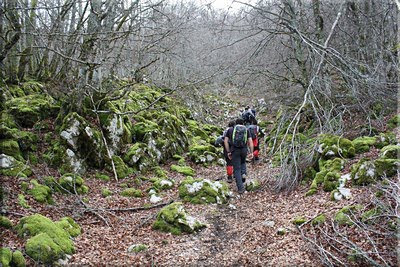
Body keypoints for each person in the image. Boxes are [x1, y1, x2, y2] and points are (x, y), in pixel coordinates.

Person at [224, 118, 254, 194]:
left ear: (235, 123)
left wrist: (228, 151)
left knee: (237, 169)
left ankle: (240, 188)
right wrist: (251, 152)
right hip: (244, 150)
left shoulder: (230, 130)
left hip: (234, 150)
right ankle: (243, 173)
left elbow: (225, 141)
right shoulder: (246, 130)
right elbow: (250, 141)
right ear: (243, 123)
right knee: (243, 162)